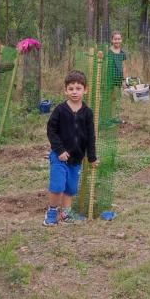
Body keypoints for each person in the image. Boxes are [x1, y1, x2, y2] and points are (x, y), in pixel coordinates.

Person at [44, 70, 97, 226]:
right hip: (59, 157)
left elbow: (91, 136)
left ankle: (66, 214)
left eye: (78, 88)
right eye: (71, 88)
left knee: (70, 187)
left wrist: (92, 157)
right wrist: (59, 150)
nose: (75, 92)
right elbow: (51, 130)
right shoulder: (60, 110)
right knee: (58, 185)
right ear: (65, 90)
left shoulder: (87, 113)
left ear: (85, 90)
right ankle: (52, 211)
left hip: (76, 158)